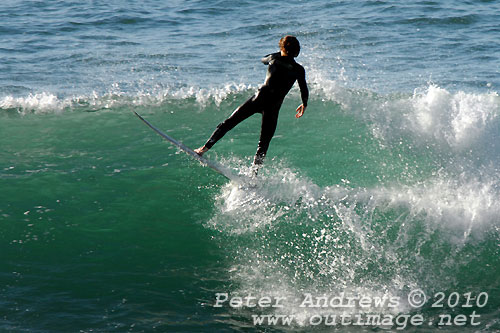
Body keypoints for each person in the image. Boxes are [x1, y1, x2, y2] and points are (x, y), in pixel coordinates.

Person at [194, 35, 309, 173]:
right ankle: (253, 175)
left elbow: (263, 59)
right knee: (263, 143)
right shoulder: (298, 69)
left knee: (229, 123)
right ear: (297, 51)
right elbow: (304, 89)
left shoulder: (274, 58)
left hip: (259, 99)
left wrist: (279, 52)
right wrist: (304, 104)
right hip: (273, 106)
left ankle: (203, 149)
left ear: (281, 48)